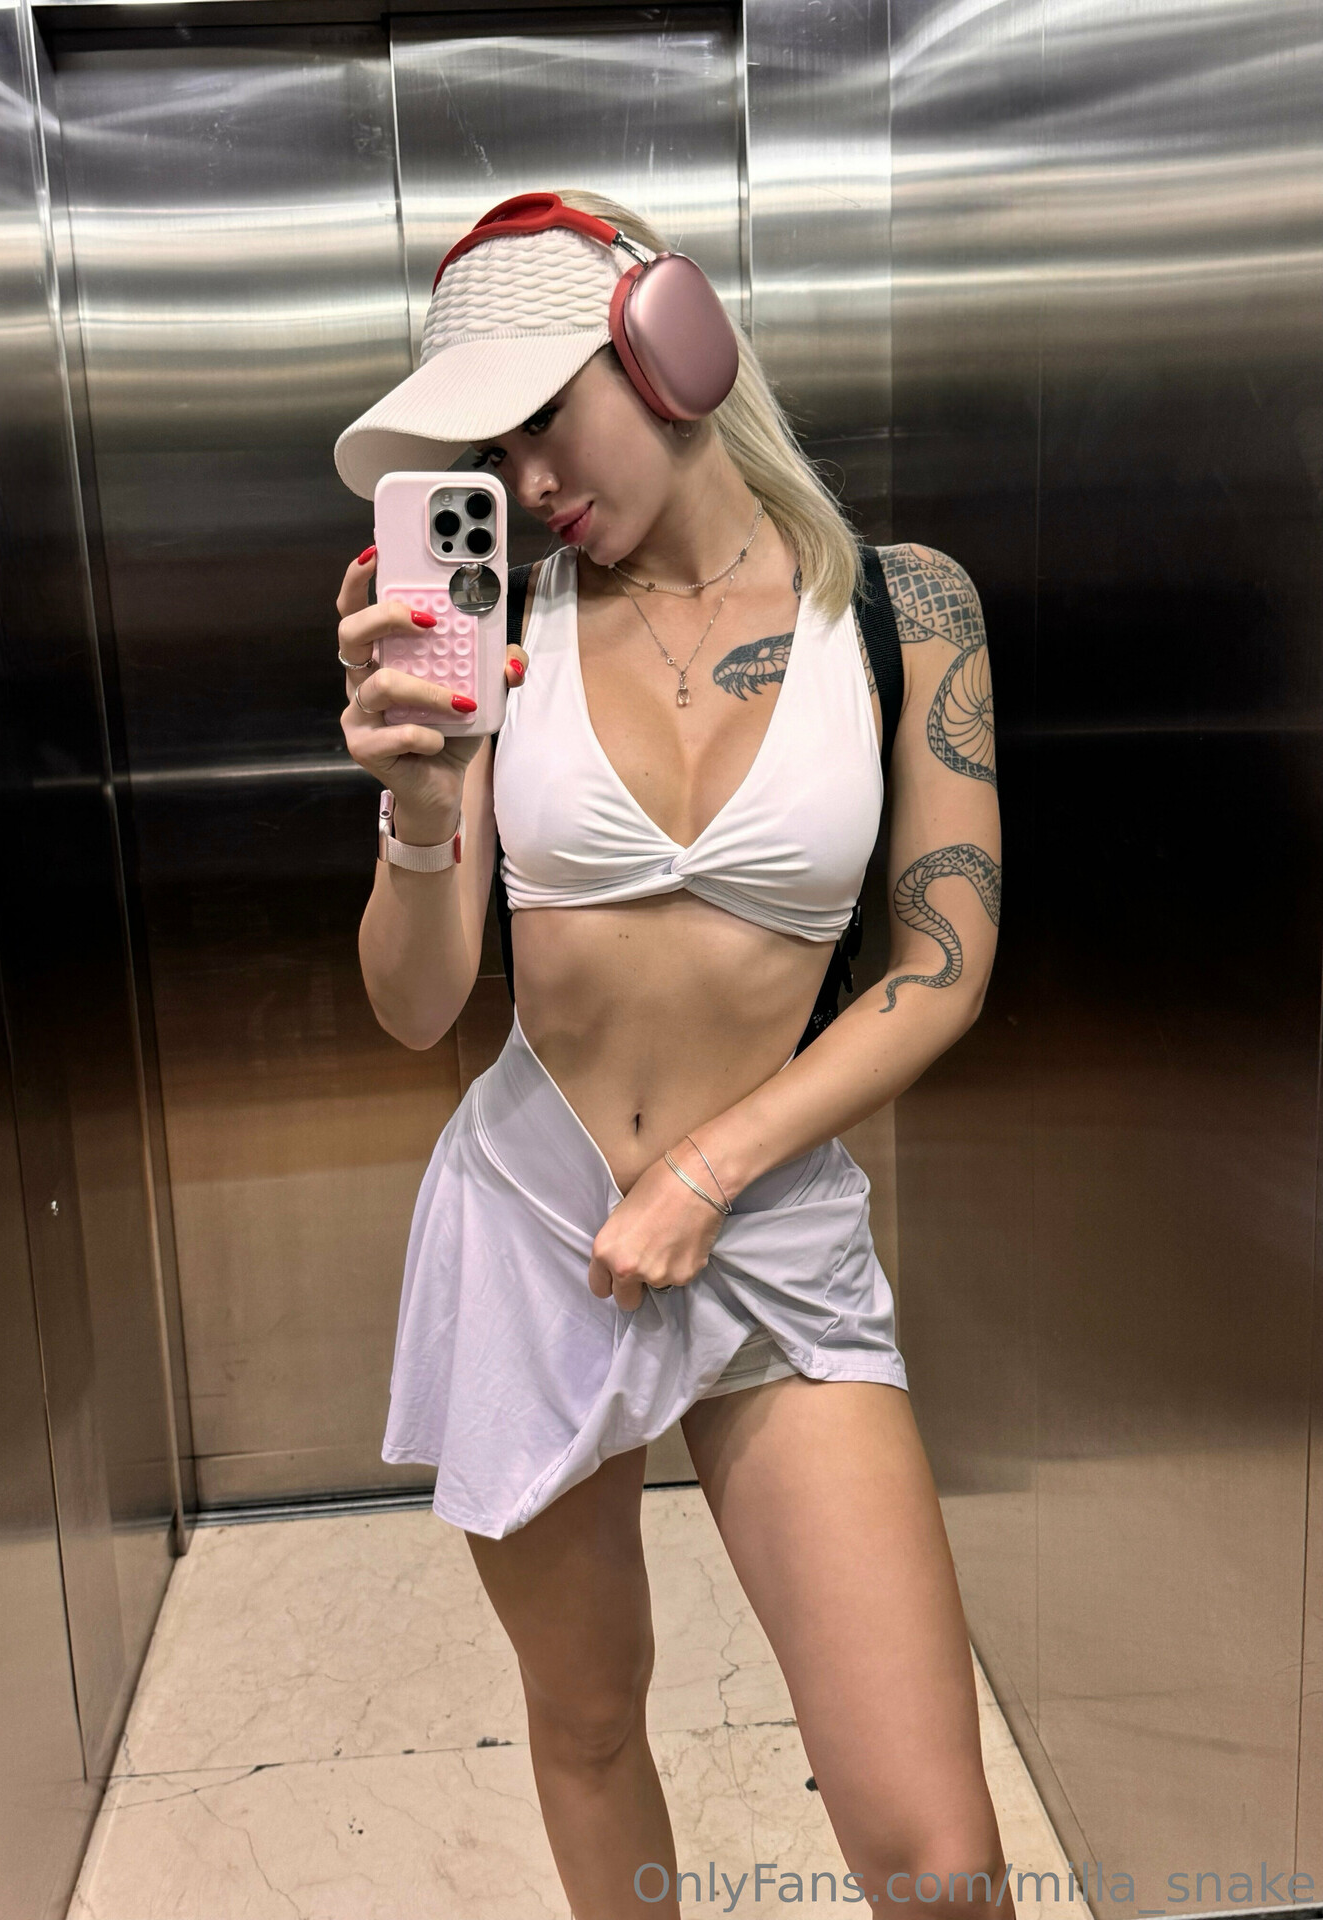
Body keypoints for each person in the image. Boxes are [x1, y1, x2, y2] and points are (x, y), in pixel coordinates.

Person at [332, 188, 1007, 1920]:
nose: (528, 480)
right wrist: (422, 810)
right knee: (586, 1723)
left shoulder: (908, 612)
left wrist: (711, 1168)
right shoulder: (503, 623)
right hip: (532, 1228)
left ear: (671, 345)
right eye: (492, 451)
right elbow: (416, 1005)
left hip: (766, 1226)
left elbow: (941, 967)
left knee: (939, 1859)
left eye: (543, 417)